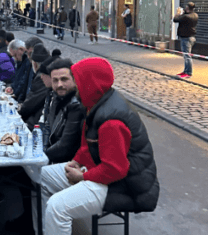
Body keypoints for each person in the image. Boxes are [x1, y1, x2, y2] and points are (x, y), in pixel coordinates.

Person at [39, 57, 160, 234]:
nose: (75, 86)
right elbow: (89, 145)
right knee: (41, 176)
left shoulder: (111, 120)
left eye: (77, 80)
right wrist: (77, 161)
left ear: (89, 83)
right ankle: (48, 229)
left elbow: (116, 170)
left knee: (57, 208)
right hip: (104, 173)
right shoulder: (96, 103)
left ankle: (54, 225)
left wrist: (82, 177)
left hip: (126, 187)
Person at [42, 58, 85, 163]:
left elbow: (66, 145)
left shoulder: (76, 105)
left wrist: (42, 155)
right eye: (55, 80)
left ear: (74, 79)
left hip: (68, 162)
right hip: (53, 155)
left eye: (64, 79)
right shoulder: (55, 97)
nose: (59, 84)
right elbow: (47, 126)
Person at [18, 43, 50, 131]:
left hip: (38, 124)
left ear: (35, 64)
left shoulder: (42, 77)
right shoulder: (42, 73)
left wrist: (18, 115)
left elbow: (31, 103)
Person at [173, 2, 198, 79]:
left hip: (186, 38)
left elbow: (175, 19)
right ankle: (185, 71)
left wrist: (178, 13)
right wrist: (183, 13)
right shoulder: (195, 15)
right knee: (187, 55)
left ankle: (188, 72)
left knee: (187, 56)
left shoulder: (186, 17)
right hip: (191, 37)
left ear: (187, 8)